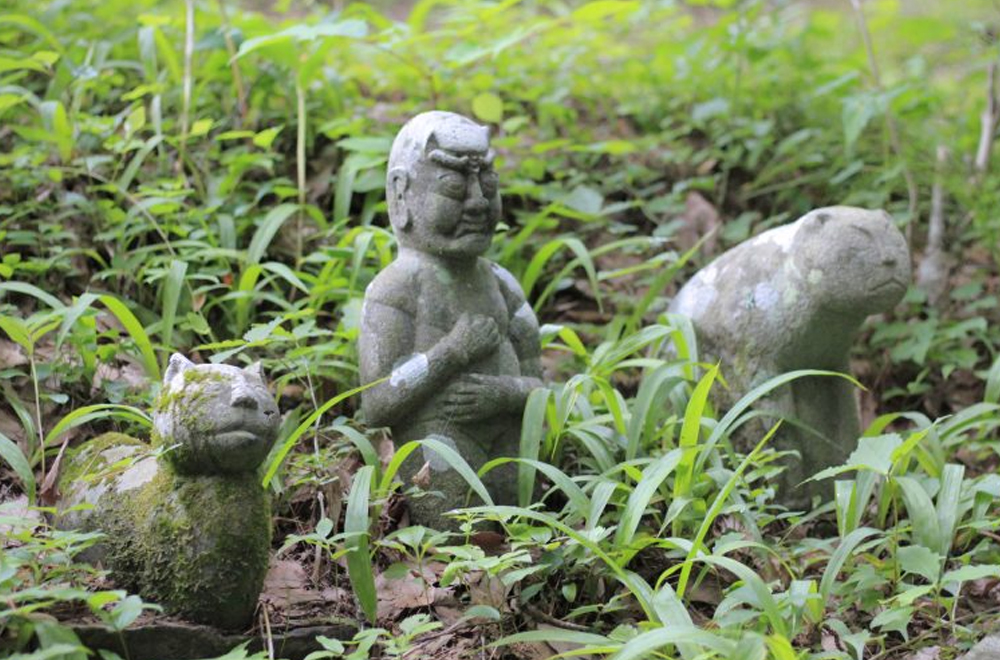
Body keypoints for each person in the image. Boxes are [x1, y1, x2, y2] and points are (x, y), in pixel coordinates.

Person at [359, 111, 543, 528]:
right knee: (464, 534)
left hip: (511, 438)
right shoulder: (395, 289)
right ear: (401, 193)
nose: (478, 201)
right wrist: (450, 353)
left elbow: (540, 387)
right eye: (454, 187)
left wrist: (505, 394)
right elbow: (377, 402)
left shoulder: (501, 284)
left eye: (488, 184)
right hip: (440, 444)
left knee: (528, 525)